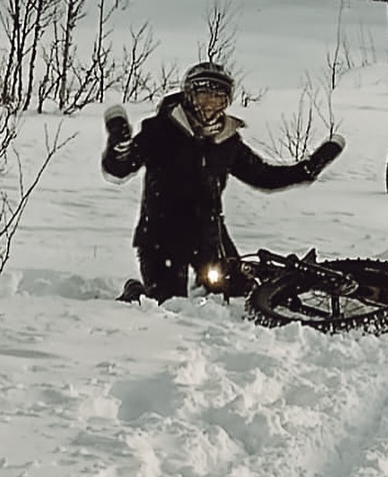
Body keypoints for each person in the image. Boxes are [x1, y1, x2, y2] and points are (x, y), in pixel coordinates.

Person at [104, 61, 345, 303]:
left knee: (239, 292)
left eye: (218, 100)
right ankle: (135, 291)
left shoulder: (227, 141)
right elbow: (119, 169)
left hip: (208, 235)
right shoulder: (159, 130)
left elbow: (264, 176)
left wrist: (307, 169)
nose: (210, 107)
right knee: (165, 304)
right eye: (204, 97)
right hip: (160, 236)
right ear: (189, 96)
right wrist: (118, 146)